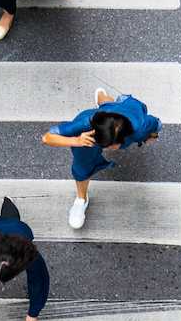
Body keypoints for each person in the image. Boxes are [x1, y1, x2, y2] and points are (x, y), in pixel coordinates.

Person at [41, 88, 162, 229]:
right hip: (93, 131)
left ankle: (102, 96)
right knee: (82, 166)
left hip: (125, 108)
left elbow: (156, 124)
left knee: (109, 104)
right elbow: (47, 137)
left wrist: (151, 136)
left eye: (109, 146)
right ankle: (81, 199)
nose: (108, 149)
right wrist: (77, 140)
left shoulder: (140, 126)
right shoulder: (86, 123)